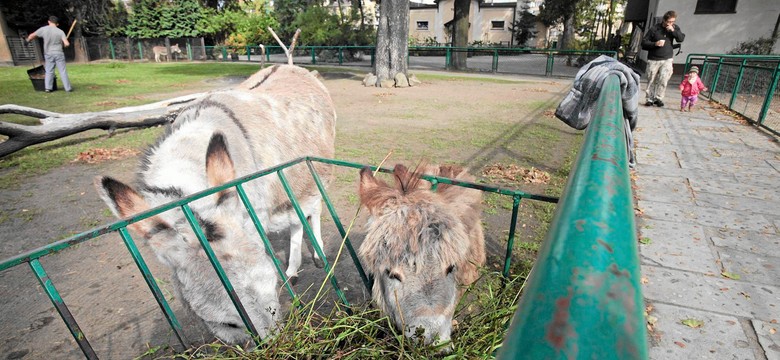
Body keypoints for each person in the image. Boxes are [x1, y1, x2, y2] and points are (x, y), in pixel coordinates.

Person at [641, 10, 685, 107]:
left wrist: (673, 31)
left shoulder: (675, 28)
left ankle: (659, 98)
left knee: (663, 79)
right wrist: (655, 44)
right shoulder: (655, 29)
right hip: (654, 59)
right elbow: (644, 43)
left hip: (667, 58)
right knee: (651, 79)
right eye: (669, 22)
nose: (670, 24)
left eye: (672, 22)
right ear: (664, 20)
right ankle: (649, 99)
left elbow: (681, 39)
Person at [26, 16, 72, 93]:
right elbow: (67, 43)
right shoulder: (60, 31)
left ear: (49, 22)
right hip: (59, 53)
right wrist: (65, 45)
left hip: (48, 53)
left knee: (49, 70)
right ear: (57, 24)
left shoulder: (43, 29)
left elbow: (31, 36)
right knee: (62, 71)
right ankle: (67, 88)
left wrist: (27, 41)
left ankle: (48, 88)